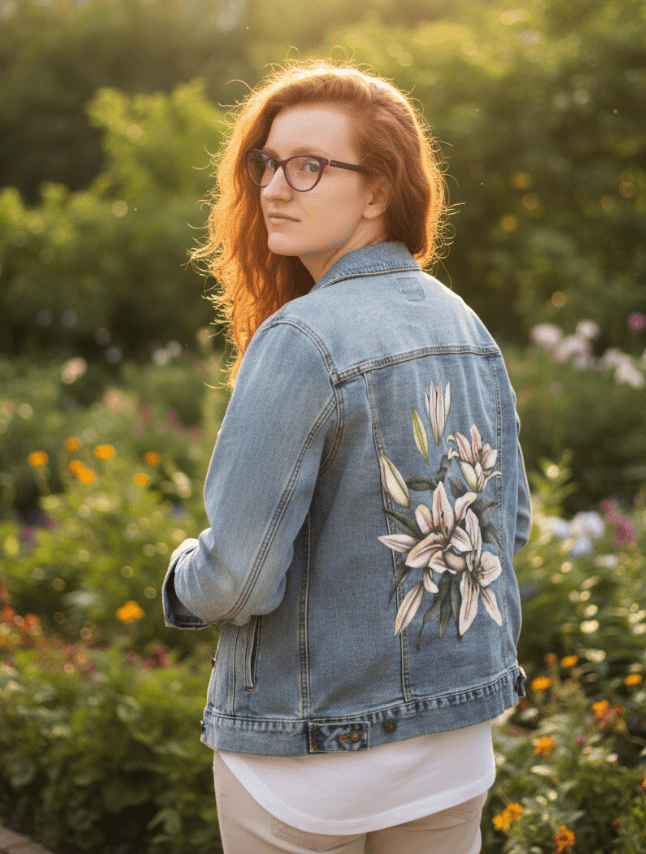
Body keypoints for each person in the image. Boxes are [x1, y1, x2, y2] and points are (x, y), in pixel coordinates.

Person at [163, 60, 531, 854]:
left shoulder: (300, 338)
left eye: (310, 166)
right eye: (267, 162)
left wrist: (178, 576)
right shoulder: (464, 323)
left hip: (306, 762)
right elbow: (510, 528)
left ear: (377, 191)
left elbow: (234, 580)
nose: (272, 188)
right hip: (452, 748)